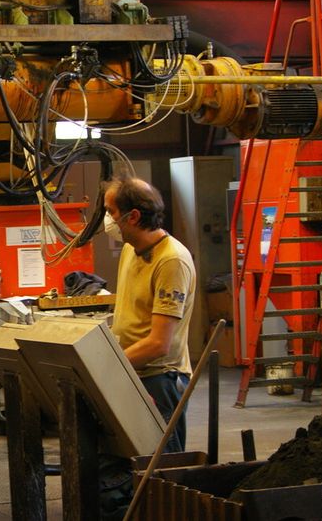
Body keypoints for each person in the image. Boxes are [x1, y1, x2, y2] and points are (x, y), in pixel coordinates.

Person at [103, 174, 195, 453]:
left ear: (131, 217)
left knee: (162, 470)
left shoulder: (171, 261)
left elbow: (158, 344)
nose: (107, 220)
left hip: (160, 380)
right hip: (134, 373)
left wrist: (104, 366)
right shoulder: (132, 249)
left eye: (111, 212)